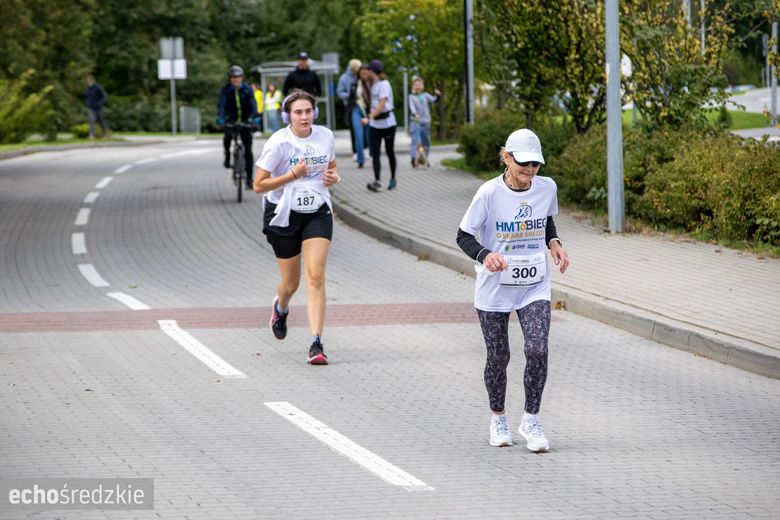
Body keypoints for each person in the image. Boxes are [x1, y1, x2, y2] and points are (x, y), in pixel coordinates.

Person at [456, 129, 570, 452]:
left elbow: (546, 219)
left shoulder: (547, 188)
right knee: (499, 355)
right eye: (523, 164)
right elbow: (463, 236)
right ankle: (498, 418)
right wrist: (485, 255)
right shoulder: (488, 194)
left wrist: (554, 243)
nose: (530, 171)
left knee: (537, 349)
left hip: (534, 284)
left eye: (535, 165)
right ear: (507, 158)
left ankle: (531, 420)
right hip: (495, 288)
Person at [253, 90, 341, 365]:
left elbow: (333, 168)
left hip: (317, 210)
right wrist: (292, 175)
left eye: (308, 111)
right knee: (291, 283)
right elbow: (258, 185)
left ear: (315, 112)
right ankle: (281, 308)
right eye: (298, 112)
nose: (304, 116)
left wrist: (333, 177)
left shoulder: (325, 136)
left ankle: (316, 342)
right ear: (288, 116)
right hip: (283, 213)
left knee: (315, 275)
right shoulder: (279, 143)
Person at [217, 65, 259, 188]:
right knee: (228, 136)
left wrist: (255, 117)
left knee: (248, 149)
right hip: (231, 119)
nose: (236, 80)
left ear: (242, 78)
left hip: (245, 120)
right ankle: (227, 155)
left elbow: (252, 103)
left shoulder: (247, 89)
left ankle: (250, 180)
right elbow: (222, 104)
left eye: (238, 77)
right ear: (230, 79)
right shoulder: (226, 90)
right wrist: (221, 118)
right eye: (233, 77)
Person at [361, 60, 397, 191]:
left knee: (389, 151)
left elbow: (382, 104)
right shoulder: (374, 84)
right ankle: (377, 181)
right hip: (375, 125)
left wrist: (369, 117)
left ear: (372, 71)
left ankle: (393, 178)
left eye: (368, 70)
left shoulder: (384, 84)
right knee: (375, 153)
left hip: (388, 123)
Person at [408, 76, 441, 168]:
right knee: (415, 140)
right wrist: (415, 114)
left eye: (419, 85)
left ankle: (425, 159)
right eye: (415, 85)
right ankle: (414, 159)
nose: (417, 86)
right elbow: (411, 107)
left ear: (422, 86)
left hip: (425, 121)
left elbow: (434, 100)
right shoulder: (411, 97)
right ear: (412, 87)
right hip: (415, 121)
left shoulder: (425, 95)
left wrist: (437, 95)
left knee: (426, 141)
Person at [337, 59, 361, 160]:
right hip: (350, 105)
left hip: (361, 105)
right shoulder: (344, 78)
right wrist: (350, 95)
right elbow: (339, 92)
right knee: (353, 129)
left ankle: (364, 149)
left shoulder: (360, 76)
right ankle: (355, 151)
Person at [352, 65, 372, 169]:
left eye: (366, 73)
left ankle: (374, 155)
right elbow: (351, 98)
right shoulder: (355, 84)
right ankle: (360, 160)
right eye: (362, 73)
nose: (364, 75)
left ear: (369, 73)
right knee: (358, 135)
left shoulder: (372, 84)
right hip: (357, 110)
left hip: (369, 111)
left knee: (369, 136)